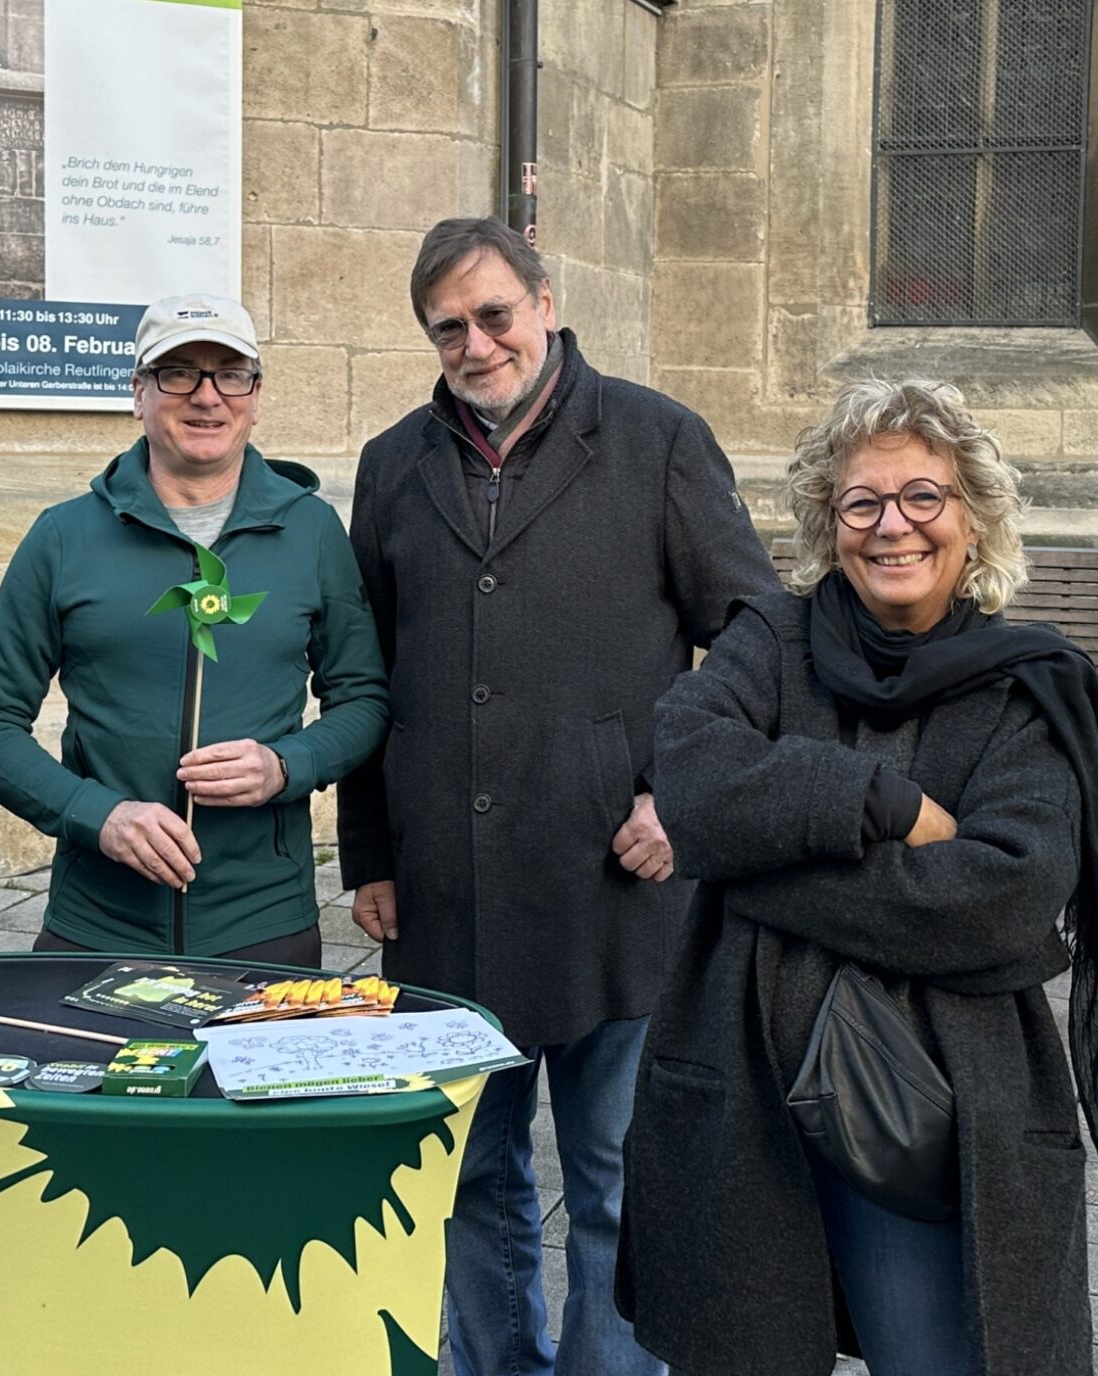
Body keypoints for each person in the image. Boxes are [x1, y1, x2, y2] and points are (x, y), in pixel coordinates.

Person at [619, 378, 1098, 1376]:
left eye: (923, 498)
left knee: (939, 1357)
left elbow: (1002, 897)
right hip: (744, 1091)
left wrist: (754, 875)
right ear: (830, 524)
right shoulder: (771, 640)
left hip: (937, 1108)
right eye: (861, 503)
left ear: (974, 520)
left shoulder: (1029, 686)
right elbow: (687, 767)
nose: (891, 526)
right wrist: (877, 802)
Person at [338, 217, 778, 1376]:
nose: (477, 345)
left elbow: (753, 636)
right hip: (441, 899)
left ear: (543, 299)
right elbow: (366, 668)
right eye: (448, 330)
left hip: (614, 890)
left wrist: (680, 796)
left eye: (493, 315)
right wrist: (368, 852)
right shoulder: (393, 465)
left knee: (615, 1181)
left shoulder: (657, 440)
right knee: (465, 1181)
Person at [0, 293, 388, 963]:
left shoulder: (310, 531)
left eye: (230, 373)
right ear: (138, 393)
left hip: (264, 919)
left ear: (255, 393)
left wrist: (287, 764)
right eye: (178, 371)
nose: (207, 396)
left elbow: (365, 699)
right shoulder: (64, 537)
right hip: (97, 923)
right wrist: (96, 816)